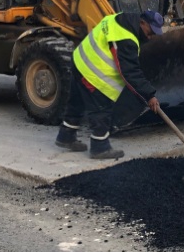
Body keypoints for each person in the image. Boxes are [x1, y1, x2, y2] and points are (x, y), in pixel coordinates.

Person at [55, 11, 164, 159]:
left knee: (77, 102)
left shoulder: (120, 18)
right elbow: (130, 72)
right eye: (150, 32)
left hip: (80, 60)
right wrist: (149, 95)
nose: (150, 37)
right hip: (92, 73)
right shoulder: (126, 39)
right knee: (101, 109)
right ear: (142, 23)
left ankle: (65, 136)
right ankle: (100, 148)